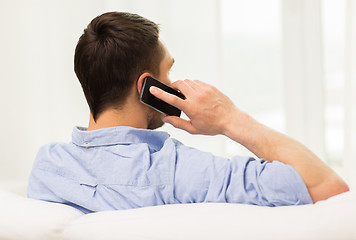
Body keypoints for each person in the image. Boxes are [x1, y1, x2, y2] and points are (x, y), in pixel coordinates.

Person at [28, 11, 349, 213]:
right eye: (168, 72)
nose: (175, 83)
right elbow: (327, 188)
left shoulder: (47, 166)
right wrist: (230, 118)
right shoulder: (180, 171)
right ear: (149, 87)